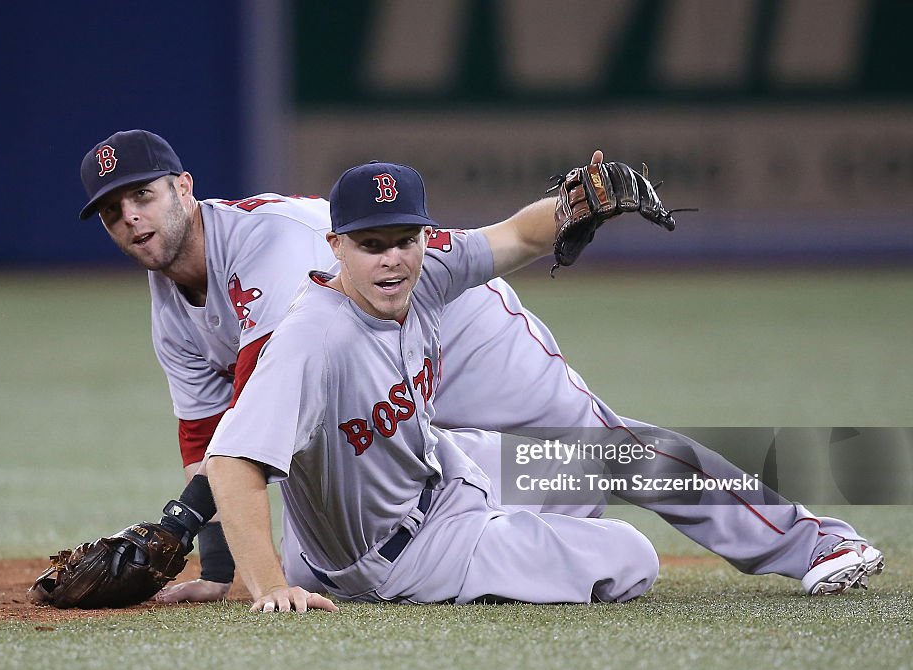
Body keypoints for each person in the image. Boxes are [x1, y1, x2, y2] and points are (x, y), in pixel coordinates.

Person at [78, 131, 883, 605]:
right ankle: (533, 543)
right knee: (462, 491)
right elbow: (212, 431)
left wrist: (571, 207)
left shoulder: (277, 244)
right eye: (113, 211)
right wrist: (221, 566)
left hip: (450, 335)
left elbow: (499, 240)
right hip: (383, 409)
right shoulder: (173, 305)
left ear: (183, 185)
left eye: (142, 194)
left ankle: (808, 542)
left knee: (607, 451)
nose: (132, 216)